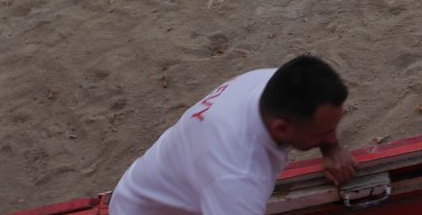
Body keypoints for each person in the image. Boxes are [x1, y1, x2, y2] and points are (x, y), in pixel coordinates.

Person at [109, 55, 358, 215]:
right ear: (281, 128)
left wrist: (331, 148)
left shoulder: (272, 84)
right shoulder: (237, 177)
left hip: (174, 183)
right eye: (324, 132)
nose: (331, 135)